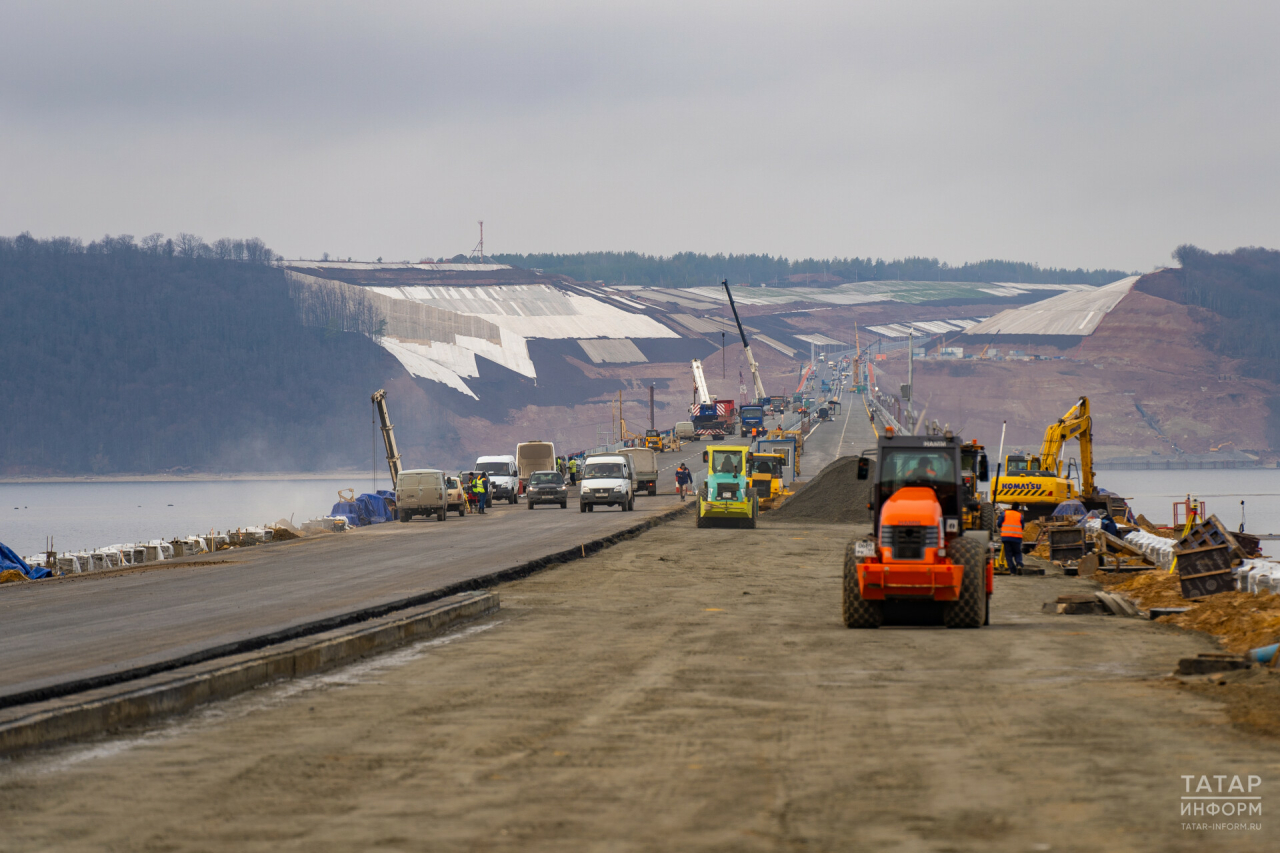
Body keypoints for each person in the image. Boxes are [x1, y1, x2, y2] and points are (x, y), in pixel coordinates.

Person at [1000, 503, 1025, 571]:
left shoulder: (1005, 513)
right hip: (1017, 537)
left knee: (1008, 554)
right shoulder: (1020, 515)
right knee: (1017, 552)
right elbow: (1022, 526)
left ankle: (1013, 570)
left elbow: (999, 523)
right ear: (1018, 508)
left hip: (1006, 537)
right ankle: (1019, 563)